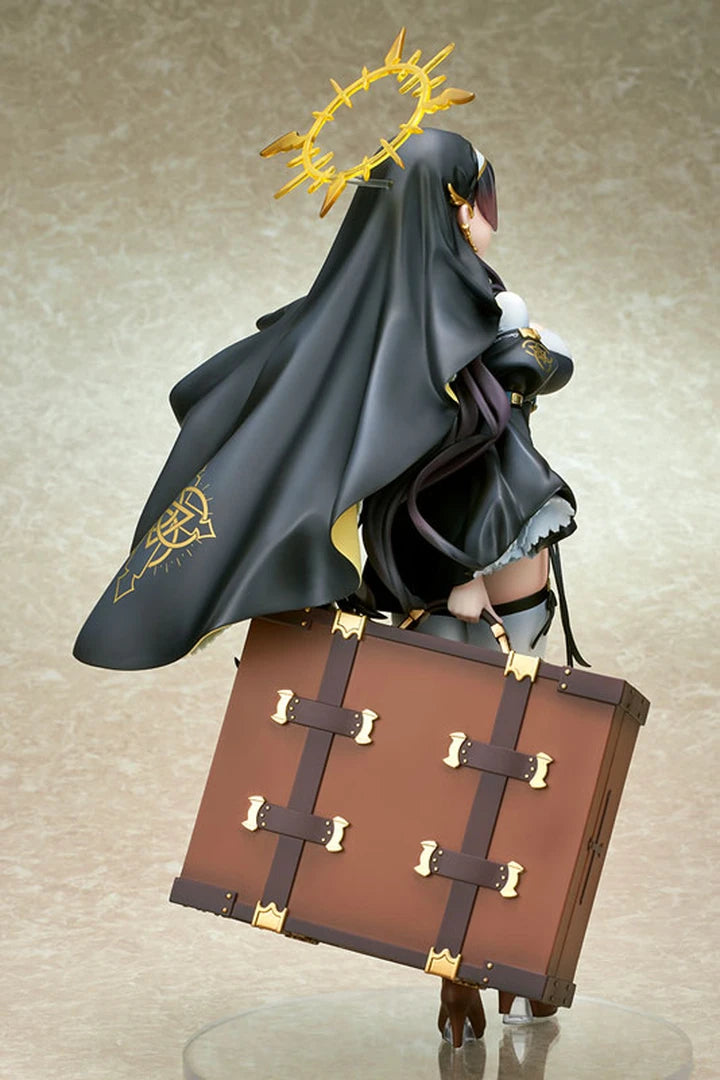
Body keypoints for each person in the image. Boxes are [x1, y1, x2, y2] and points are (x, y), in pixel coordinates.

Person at [73, 126, 583, 1045]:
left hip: (418, 589)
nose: (489, 220)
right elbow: (502, 433)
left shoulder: (338, 330)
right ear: (453, 209)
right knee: (497, 781)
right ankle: (484, 970)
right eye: (480, 201)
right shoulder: (471, 327)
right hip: (466, 590)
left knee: (475, 784)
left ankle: (483, 971)